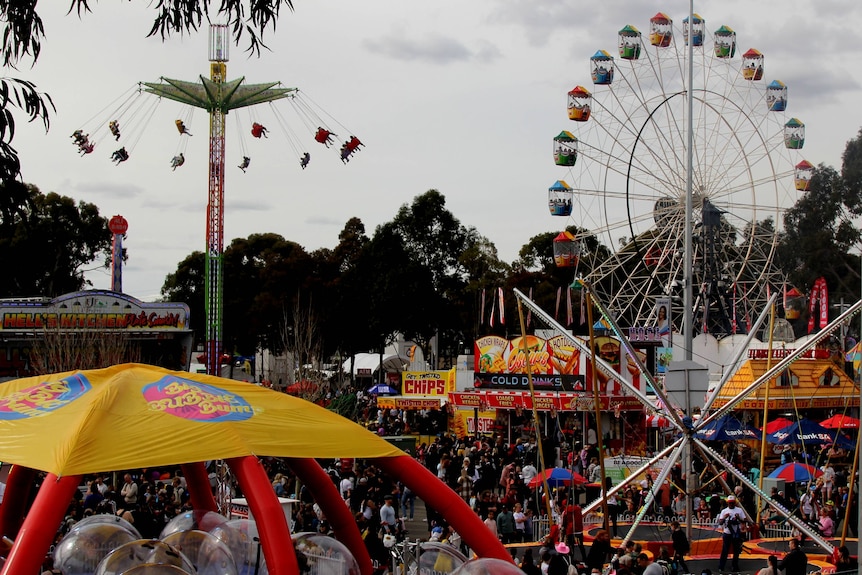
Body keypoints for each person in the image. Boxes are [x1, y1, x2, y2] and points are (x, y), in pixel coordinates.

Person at [716, 494, 748, 573]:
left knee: (736, 551)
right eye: (730, 503)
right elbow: (720, 522)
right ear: (728, 503)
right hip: (727, 533)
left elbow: (744, 520)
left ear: (735, 503)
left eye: (732, 503)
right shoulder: (724, 511)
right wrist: (724, 517)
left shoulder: (739, 510)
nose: (731, 504)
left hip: (736, 533)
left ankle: (734, 566)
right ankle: (721, 566)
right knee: (725, 550)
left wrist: (738, 518)